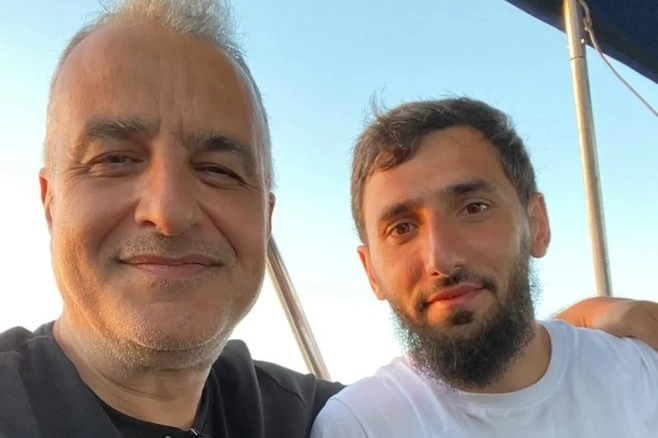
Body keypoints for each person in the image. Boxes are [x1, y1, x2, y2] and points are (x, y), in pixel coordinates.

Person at [0, 1, 655, 437]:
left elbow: (492, 366)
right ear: (50, 199)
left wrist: (588, 326)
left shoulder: (297, 415)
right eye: (114, 159)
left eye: (219, 168)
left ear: (265, 218)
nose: (167, 211)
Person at [310, 98, 658, 437]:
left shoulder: (643, 375)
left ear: (537, 225)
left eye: (474, 208)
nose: (441, 260)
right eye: (401, 229)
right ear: (371, 272)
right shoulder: (359, 426)